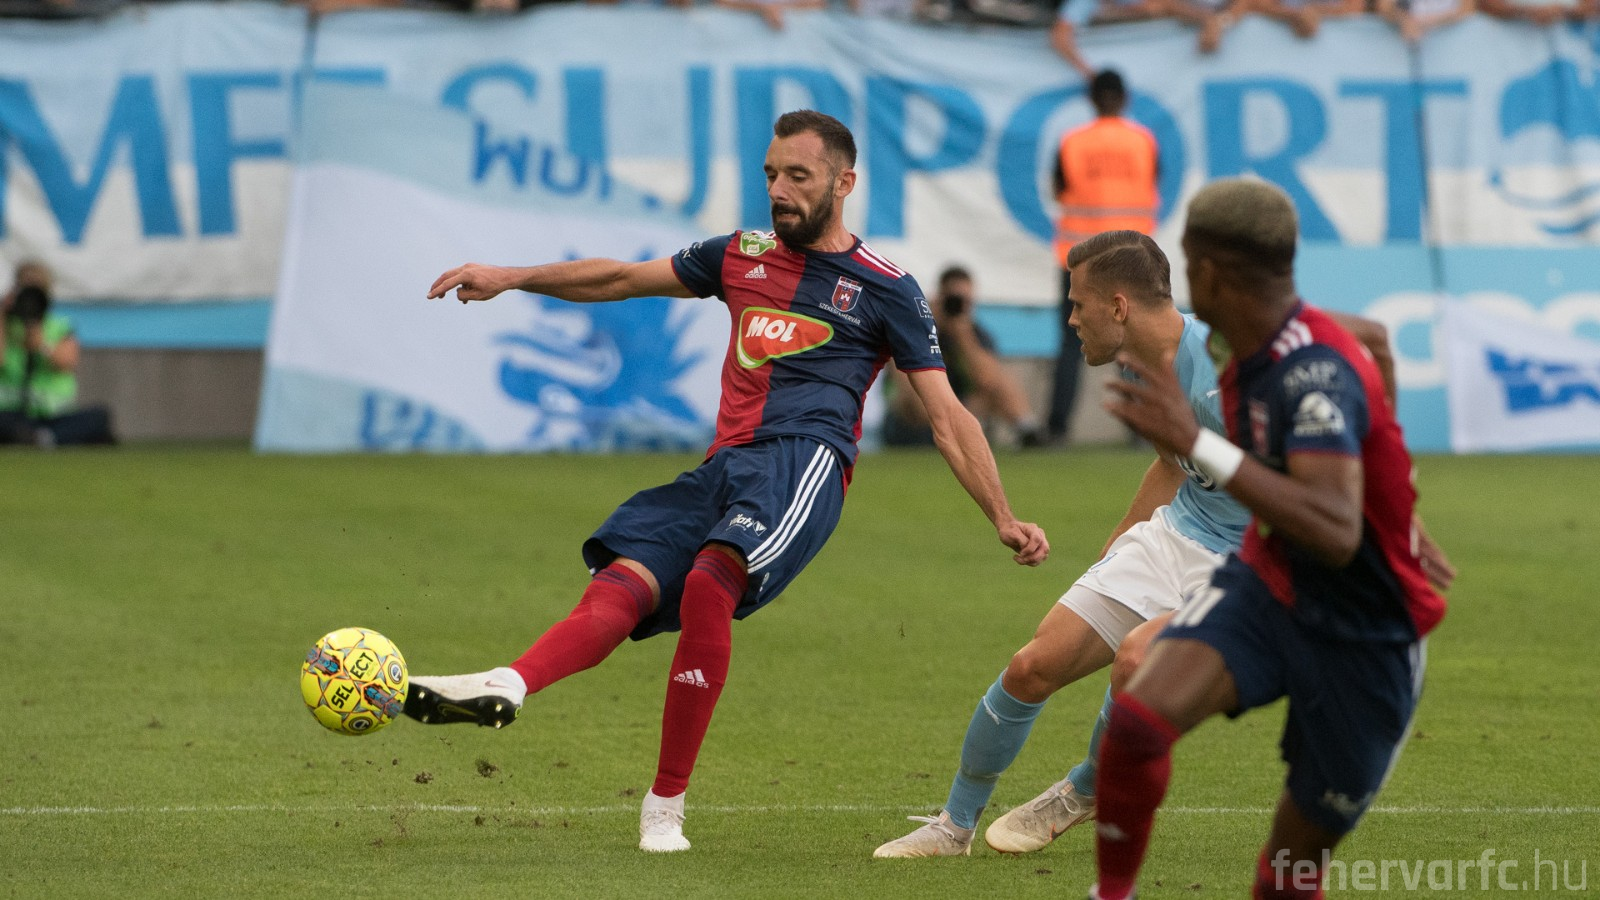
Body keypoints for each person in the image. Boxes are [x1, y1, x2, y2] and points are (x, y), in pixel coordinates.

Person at [411, 109, 1050, 854]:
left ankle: (664, 808)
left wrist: (1002, 515)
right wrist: (511, 277)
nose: (778, 190)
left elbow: (947, 416)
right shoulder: (739, 256)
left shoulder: (886, 289)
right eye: (771, 174)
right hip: (723, 465)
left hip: (803, 464)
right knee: (625, 580)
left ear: (844, 183)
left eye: (798, 176)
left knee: (712, 581)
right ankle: (510, 682)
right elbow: (621, 277)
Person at [871, 231, 1443, 860]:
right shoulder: (1142, 363)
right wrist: (1119, 543)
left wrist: (1396, 517)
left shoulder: (1230, 358)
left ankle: (1086, 788)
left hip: (1249, 562)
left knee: (1136, 659)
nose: (1071, 319)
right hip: (1176, 532)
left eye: (1078, 304)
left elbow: (1351, 397)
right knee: (1031, 668)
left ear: (1118, 306)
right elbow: (1173, 463)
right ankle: (953, 827)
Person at [1088, 178, 1448, 900]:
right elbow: (1378, 338)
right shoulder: (1240, 334)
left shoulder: (1312, 374)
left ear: (1211, 271)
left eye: (1188, 262)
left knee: (1288, 872)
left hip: (1366, 629)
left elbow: (1336, 532)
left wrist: (1197, 442)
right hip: (1271, 584)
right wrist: (1395, 489)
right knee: (1136, 724)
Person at [1046, 70, 1159, 447]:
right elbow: (1153, 186)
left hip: (1080, 258)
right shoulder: (1143, 141)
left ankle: (1058, 429)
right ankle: (1142, 430)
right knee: (1133, 340)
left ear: (1092, 100)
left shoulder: (1072, 141)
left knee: (1071, 342)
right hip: (1131, 259)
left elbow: (1058, 191)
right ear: (1124, 99)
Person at [881, 266, 1043, 449]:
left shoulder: (975, 334)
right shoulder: (914, 329)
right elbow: (905, 384)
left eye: (964, 301)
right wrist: (927, 326)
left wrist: (963, 336)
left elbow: (989, 380)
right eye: (952, 300)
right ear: (939, 298)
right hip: (916, 417)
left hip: (957, 409)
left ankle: (1028, 430)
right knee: (918, 394)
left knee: (999, 380)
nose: (957, 306)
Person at [0, 261, 115, 447]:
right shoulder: (6, 326)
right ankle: (44, 437)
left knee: (99, 416)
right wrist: (2, 314)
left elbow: (67, 362)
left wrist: (42, 345)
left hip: (54, 414)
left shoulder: (59, 326)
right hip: (12, 412)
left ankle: (42, 437)